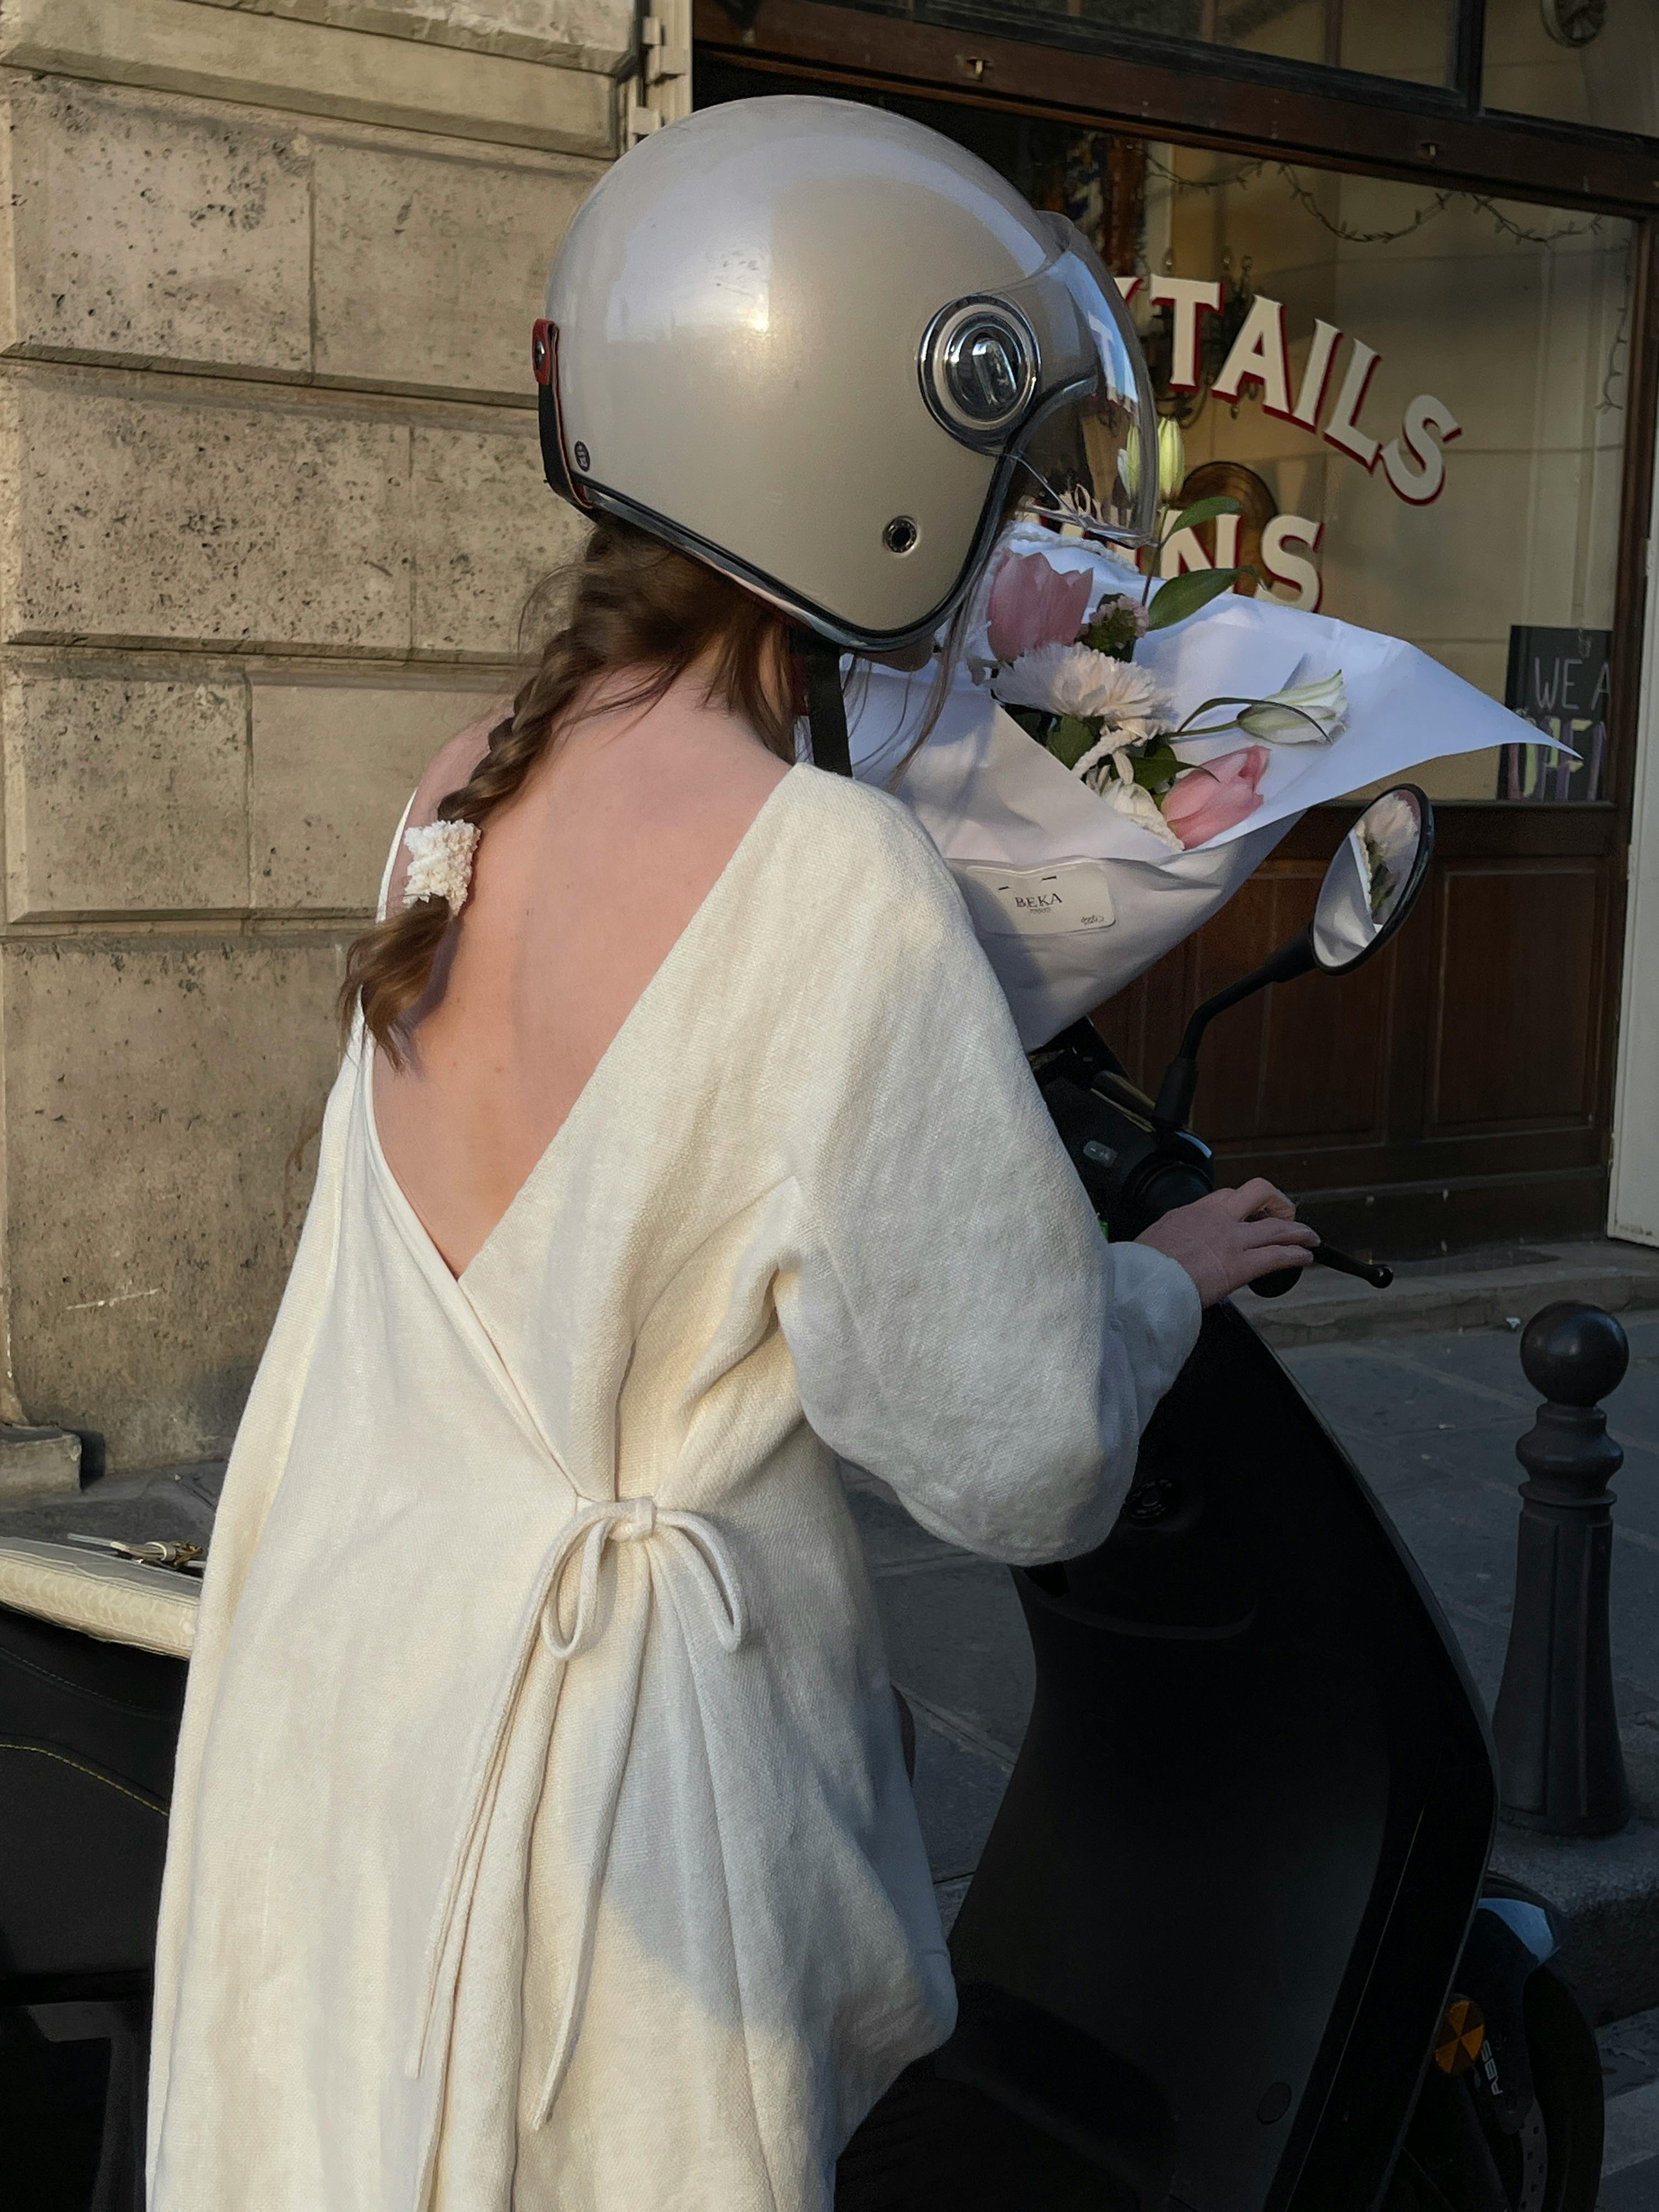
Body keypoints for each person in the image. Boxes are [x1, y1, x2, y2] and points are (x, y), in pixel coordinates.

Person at [145, 96, 1316, 2212]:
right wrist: (1162, 1281)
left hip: (346, 1715)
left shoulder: (461, 786)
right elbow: (1018, 1441)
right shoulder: (832, 879)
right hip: (615, 1849)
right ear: (873, 469)